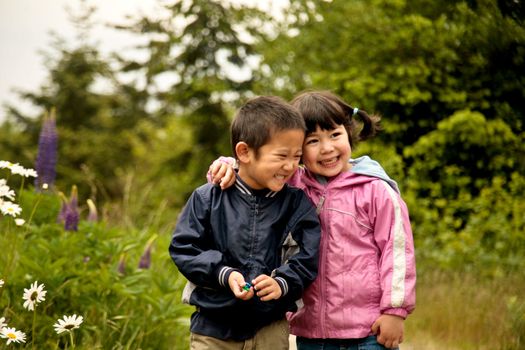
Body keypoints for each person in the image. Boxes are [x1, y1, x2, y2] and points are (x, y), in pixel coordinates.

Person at [208, 90, 416, 350]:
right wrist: (230, 165)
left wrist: (395, 310)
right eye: (313, 141)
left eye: (335, 135)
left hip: (369, 330)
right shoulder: (292, 185)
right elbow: (257, 171)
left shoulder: (375, 190)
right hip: (312, 332)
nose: (327, 148)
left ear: (348, 133)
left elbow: (397, 253)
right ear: (297, 150)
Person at [170, 95, 322, 350]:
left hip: (270, 328)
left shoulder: (297, 204)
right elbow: (184, 248)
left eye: (297, 156)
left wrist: (281, 282)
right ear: (244, 152)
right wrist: (223, 274)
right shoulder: (207, 198)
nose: (291, 166)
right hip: (213, 328)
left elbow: (307, 257)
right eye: (282, 155)